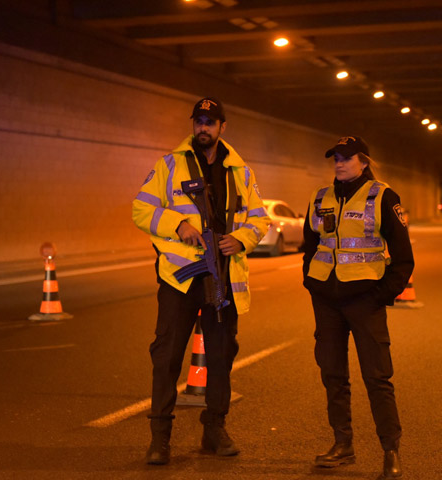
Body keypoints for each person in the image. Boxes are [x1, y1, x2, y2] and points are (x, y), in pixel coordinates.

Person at [132, 97, 270, 465]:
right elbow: (141, 208)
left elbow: (259, 218)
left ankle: (214, 429)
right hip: (180, 279)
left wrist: (241, 239)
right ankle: (160, 438)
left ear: (223, 126)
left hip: (222, 276)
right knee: (167, 357)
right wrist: (177, 224)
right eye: (198, 121)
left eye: (210, 122)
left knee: (221, 357)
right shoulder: (169, 165)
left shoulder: (240, 171)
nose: (203, 128)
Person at [302, 136, 414, 479]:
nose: (339, 163)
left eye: (346, 158)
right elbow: (311, 246)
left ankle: (390, 450)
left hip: (365, 301)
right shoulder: (320, 196)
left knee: (377, 377)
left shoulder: (383, 196)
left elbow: (403, 257)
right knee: (333, 375)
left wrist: (381, 295)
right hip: (327, 300)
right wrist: (312, 282)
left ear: (363, 162)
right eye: (335, 158)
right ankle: (342, 444)